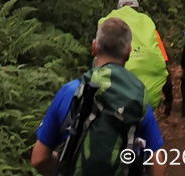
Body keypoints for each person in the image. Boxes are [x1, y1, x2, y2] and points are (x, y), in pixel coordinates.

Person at [31, 17, 165, 176]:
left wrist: (64, 165)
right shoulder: (136, 98)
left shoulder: (70, 91)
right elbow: (158, 165)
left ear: (94, 47)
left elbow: (39, 159)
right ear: (128, 53)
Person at [98, 0, 173, 115]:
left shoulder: (110, 25)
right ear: (137, 9)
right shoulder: (147, 24)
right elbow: (162, 60)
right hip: (147, 99)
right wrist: (169, 99)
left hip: (115, 98)